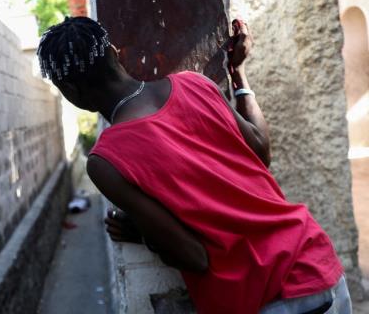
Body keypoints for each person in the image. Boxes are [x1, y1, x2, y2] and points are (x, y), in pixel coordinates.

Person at [36, 16, 352, 314]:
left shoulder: (106, 162)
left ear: (72, 92)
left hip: (267, 298)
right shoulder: (194, 84)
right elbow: (260, 150)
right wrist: (237, 72)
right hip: (317, 262)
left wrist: (144, 232)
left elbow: (193, 257)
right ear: (115, 54)